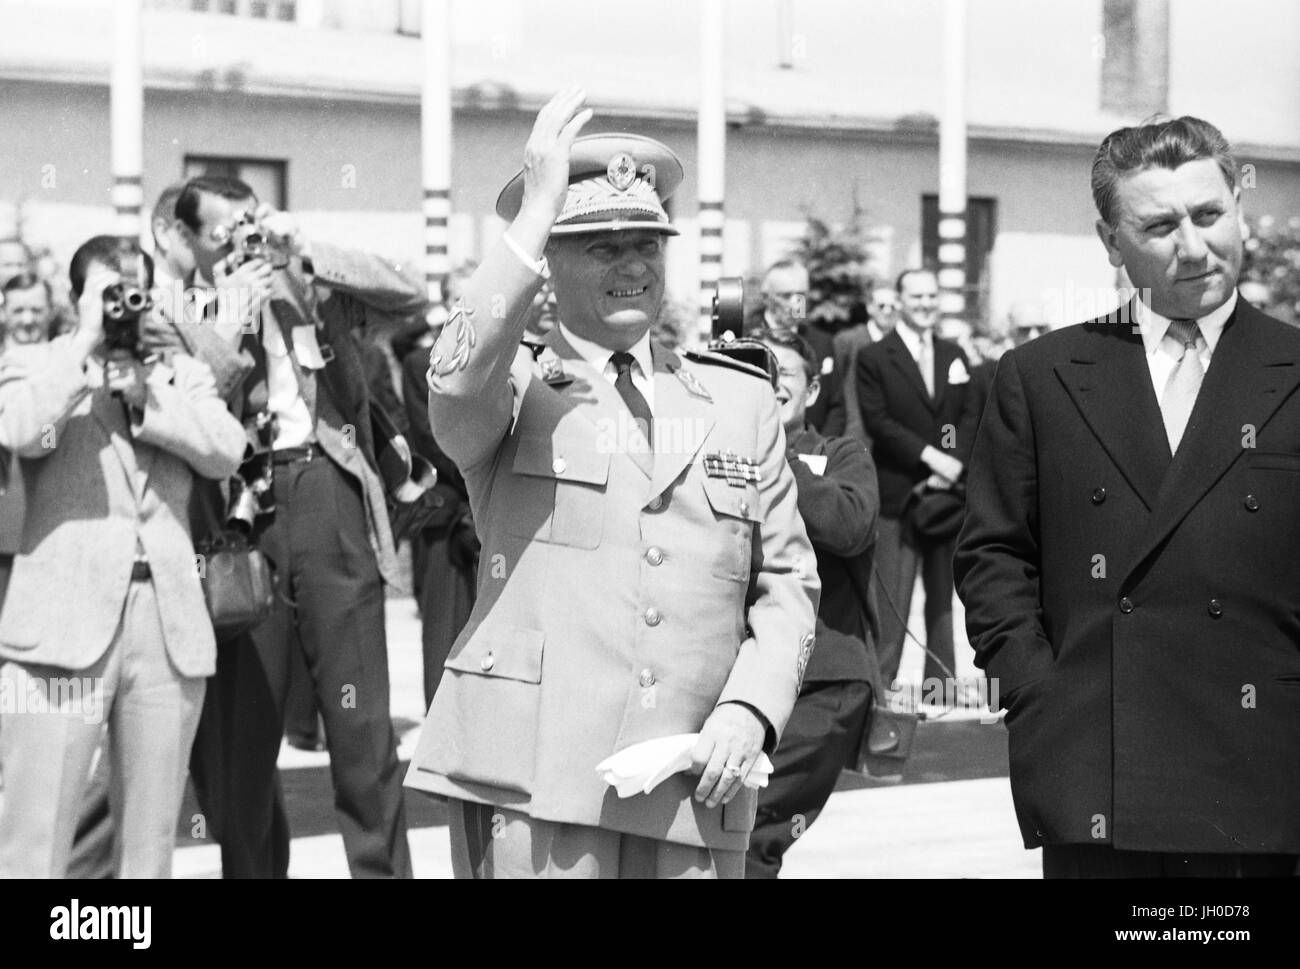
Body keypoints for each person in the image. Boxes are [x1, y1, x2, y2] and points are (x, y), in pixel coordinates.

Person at [404, 88, 819, 879]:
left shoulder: (738, 399)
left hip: (693, 778)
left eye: (648, 243)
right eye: (601, 245)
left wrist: (751, 707)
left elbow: (788, 580)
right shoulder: (516, 388)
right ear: (548, 265)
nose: (632, 264)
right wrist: (533, 210)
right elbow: (454, 381)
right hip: (539, 779)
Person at [954, 115, 1300, 878]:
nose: (1194, 247)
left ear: (1241, 203)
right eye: (1159, 225)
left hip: (1265, 774)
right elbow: (992, 553)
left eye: (1210, 215)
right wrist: (1037, 688)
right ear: (1111, 242)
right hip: (1098, 771)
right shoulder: (1042, 375)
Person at [175, 174, 421, 878]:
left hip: (325, 490)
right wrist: (230, 313)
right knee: (244, 746)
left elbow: (409, 292)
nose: (246, 244)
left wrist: (304, 247)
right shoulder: (182, 309)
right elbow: (186, 395)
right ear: (191, 242)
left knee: (362, 729)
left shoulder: (309, 285)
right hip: (239, 517)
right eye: (227, 235)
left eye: (251, 224)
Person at [0, 236, 246, 877]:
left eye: (133, 290)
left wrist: (148, 398)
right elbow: (19, 430)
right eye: (108, 293)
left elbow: (226, 450)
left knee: (150, 842)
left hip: (166, 628)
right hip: (61, 627)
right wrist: (84, 347)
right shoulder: (36, 366)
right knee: (36, 836)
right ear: (76, 299)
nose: (123, 305)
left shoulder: (178, 376)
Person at [745, 330, 880, 879]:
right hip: (743, 676)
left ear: (814, 388)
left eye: (784, 376)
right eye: (756, 372)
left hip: (824, 678)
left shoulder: (839, 453)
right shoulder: (718, 452)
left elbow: (849, 526)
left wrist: (774, 457)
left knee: (755, 830)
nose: (770, 384)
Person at [856, 267, 980, 689]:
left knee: (943, 597)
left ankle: (941, 684)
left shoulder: (953, 355)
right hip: (899, 495)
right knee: (894, 596)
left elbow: (966, 414)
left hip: (947, 495)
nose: (926, 304)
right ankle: (881, 689)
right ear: (901, 301)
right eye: (917, 297)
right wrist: (931, 458)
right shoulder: (875, 357)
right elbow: (880, 421)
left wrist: (954, 462)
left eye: (932, 296)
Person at [752, 260, 847, 435]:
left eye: (801, 295)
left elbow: (837, 407)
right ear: (766, 297)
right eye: (786, 296)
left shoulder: (822, 342)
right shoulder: (749, 341)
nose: (795, 304)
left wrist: (821, 450)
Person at [834, 285, 901, 446]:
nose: (887, 311)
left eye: (892, 306)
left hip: (894, 439)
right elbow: (835, 390)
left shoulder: (903, 345)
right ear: (870, 308)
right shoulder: (848, 341)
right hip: (857, 435)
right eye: (881, 306)